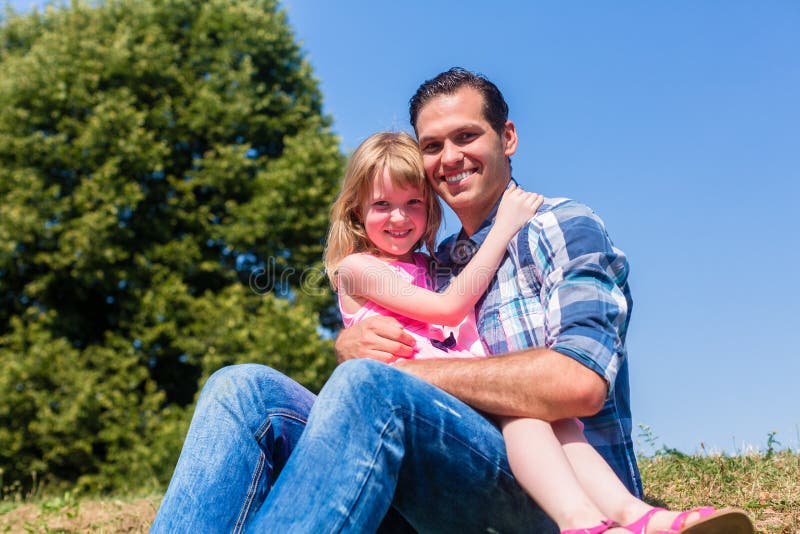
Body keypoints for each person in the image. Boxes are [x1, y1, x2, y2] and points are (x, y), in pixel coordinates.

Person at [150, 68, 750, 533]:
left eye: (468, 135)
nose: (450, 157)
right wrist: (352, 344)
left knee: (371, 389)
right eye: (433, 145)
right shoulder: (433, 261)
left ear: (508, 137)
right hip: (456, 461)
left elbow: (578, 384)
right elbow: (403, 323)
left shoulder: (561, 226)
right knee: (243, 387)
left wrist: (399, 375)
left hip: (562, 484)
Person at [323, 132, 751, 534]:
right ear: (356, 212)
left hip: (457, 393)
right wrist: (506, 226)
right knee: (523, 414)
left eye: (413, 202)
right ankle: (580, 521)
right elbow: (448, 307)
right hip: (428, 407)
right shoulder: (358, 268)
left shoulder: (434, 262)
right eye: (381, 205)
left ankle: (637, 515)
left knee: (554, 416)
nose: (399, 217)